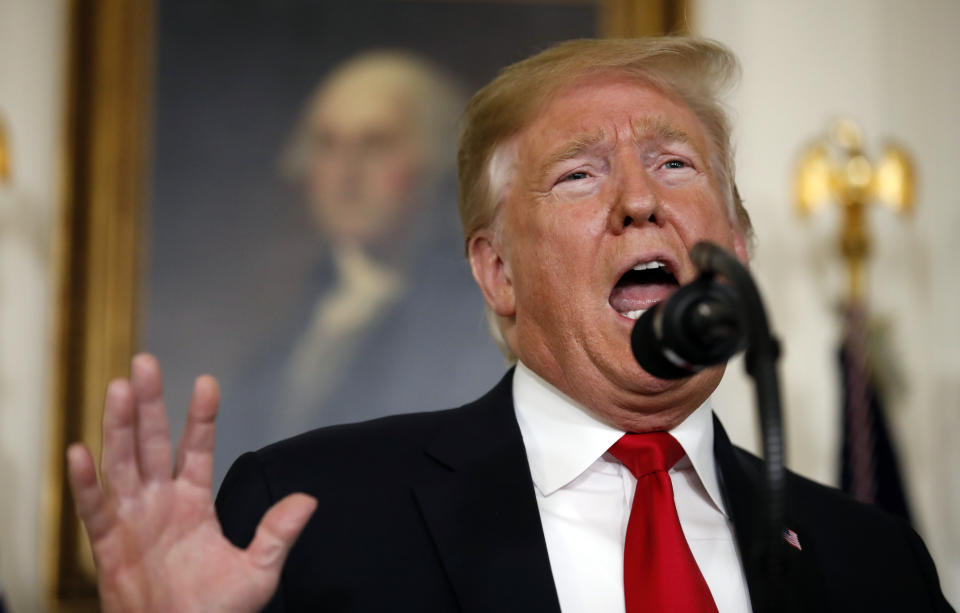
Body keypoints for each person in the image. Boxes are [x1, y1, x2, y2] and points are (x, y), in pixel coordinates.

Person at [66, 37, 953, 612]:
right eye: (579, 175)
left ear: (739, 250)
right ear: (497, 272)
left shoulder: (874, 564)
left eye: (674, 163)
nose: (640, 200)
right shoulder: (313, 515)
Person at [215, 51, 504, 483]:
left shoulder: (478, 317)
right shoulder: (292, 323)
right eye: (328, 145)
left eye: (375, 144)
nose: (346, 172)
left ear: (433, 163)